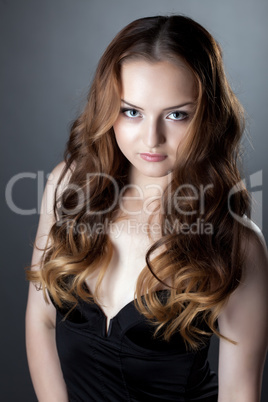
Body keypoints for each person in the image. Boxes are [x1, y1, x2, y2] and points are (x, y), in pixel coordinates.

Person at [25, 15, 268, 402]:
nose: (151, 138)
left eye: (176, 115)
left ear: (208, 116)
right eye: (131, 111)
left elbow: (239, 392)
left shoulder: (236, 244)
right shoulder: (67, 186)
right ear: (107, 108)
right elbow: (41, 320)